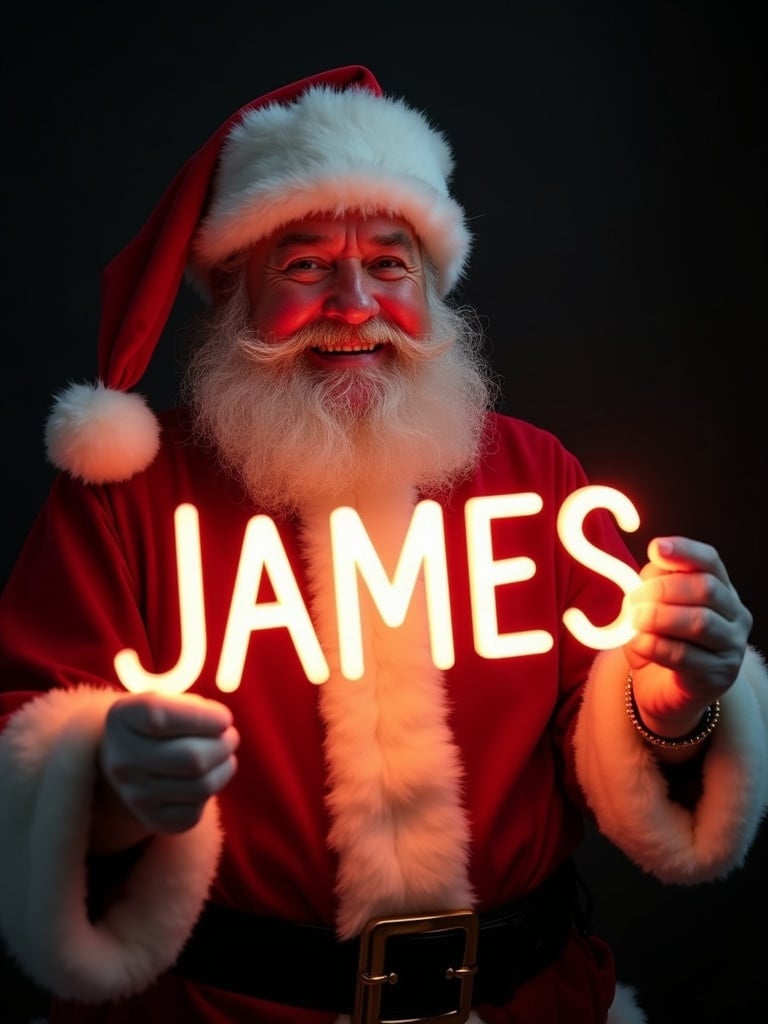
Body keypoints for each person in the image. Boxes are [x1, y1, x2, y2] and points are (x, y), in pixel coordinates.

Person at [0, 64, 765, 1024]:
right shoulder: (125, 503)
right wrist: (104, 774)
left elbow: (598, 743)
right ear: (236, 284)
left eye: (391, 264)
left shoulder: (538, 477)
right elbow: (21, 734)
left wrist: (669, 706)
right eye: (308, 263)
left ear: (434, 287)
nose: (355, 304)